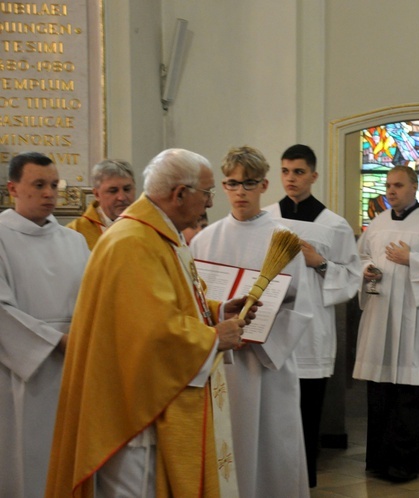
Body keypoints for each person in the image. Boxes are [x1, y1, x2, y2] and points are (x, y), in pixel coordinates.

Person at [46, 148, 254, 497]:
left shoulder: (157, 235)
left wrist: (218, 312)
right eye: (207, 193)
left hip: (147, 405)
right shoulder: (134, 242)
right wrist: (214, 337)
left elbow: (172, 302)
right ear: (179, 194)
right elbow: (151, 332)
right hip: (135, 417)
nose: (209, 203)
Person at [190, 145, 315, 497]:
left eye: (249, 184)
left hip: (265, 366)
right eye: (231, 184)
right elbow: (193, 303)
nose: (240, 192)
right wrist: (217, 329)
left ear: (264, 186)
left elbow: (300, 307)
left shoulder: (283, 240)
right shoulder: (203, 240)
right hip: (220, 364)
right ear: (222, 186)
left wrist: (259, 337)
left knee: (273, 445)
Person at [354, 165, 419, 482]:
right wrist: (367, 269)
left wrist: (411, 259)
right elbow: (358, 257)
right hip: (382, 315)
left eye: (398, 185)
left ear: (414, 187)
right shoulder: (377, 223)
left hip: (417, 320)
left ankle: (406, 460)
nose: (390, 190)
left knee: (413, 393)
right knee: (381, 389)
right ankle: (379, 458)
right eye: (388, 185)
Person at [264, 144, 361, 487]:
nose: (291, 179)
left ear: (314, 176)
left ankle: (304, 478)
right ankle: (274, 477)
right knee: (274, 410)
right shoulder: (265, 218)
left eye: (299, 172)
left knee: (308, 410)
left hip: (312, 330)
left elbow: (352, 276)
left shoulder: (334, 226)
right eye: (286, 171)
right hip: (272, 327)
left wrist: (319, 263)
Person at [0, 152, 90, 498]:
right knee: (26, 464)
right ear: (13, 189)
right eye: (39, 185)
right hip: (23, 371)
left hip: (75, 367)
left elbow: (95, 299)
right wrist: (57, 341)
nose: (50, 193)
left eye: (54, 185)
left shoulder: (75, 241)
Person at [67, 159, 136, 249]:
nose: (122, 197)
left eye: (127, 189)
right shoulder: (75, 231)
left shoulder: (147, 227)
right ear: (97, 194)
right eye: (113, 191)